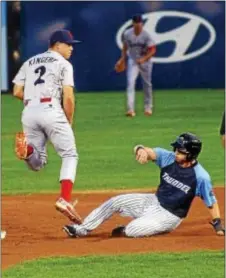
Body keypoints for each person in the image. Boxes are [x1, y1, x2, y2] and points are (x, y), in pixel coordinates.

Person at [63, 132, 225, 238]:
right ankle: (82, 229)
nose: (176, 153)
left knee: (133, 230)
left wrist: (217, 224)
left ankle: (130, 230)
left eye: (180, 151)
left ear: (191, 154)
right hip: (153, 201)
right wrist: (141, 150)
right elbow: (149, 151)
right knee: (115, 202)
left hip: (169, 216)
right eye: (176, 149)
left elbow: (211, 202)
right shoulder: (168, 158)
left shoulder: (200, 177)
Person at [12, 29, 82, 223]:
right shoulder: (63, 64)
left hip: (29, 111)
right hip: (52, 109)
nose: (71, 48)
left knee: (37, 163)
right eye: (68, 44)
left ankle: (27, 149)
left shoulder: (29, 62)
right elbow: (68, 97)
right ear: (57, 44)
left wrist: (32, 100)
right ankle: (65, 199)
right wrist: (68, 121)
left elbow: (17, 90)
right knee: (69, 154)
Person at [115, 14, 156, 117]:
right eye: (136, 22)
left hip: (145, 62)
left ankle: (148, 107)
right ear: (133, 23)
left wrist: (144, 59)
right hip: (133, 61)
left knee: (147, 84)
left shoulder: (146, 35)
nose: (138, 24)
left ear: (142, 23)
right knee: (130, 83)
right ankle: (130, 109)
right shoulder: (127, 34)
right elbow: (125, 47)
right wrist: (122, 59)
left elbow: (152, 50)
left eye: (139, 22)